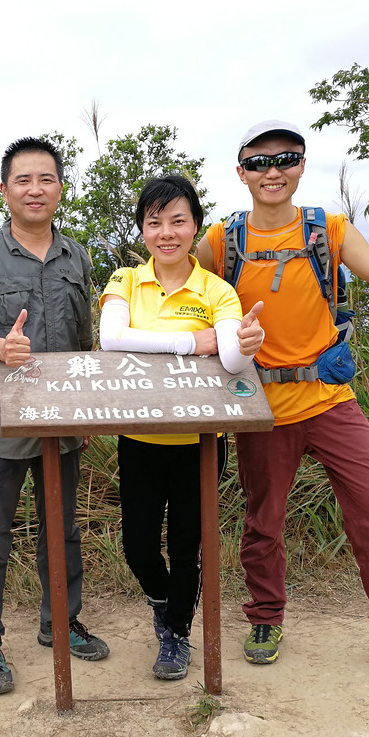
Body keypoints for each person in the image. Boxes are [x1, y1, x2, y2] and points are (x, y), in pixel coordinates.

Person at [195, 120, 369, 687]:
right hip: (262, 406)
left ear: (302, 166)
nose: (273, 170)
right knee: (264, 522)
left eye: (286, 157)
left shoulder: (329, 229)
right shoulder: (220, 242)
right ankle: (265, 620)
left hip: (332, 400)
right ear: (241, 173)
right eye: (259, 162)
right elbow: (185, 295)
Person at [0, 137, 107, 696]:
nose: (35, 190)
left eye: (46, 179)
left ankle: (60, 622)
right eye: (23, 180)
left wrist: (86, 415)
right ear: (5, 190)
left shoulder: (76, 255)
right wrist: (0, 347)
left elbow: (85, 339)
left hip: (63, 421)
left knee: (61, 531)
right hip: (1, 423)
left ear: (60, 188)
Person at [99, 174, 264, 680]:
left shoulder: (216, 289)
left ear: (195, 227)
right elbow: (111, 339)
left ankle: (176, 633)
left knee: (190, 543)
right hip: (140, 438)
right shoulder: (125, 280)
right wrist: (192, 342)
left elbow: (233, 360)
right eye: (155, 222)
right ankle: (164, 599)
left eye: (178, 221)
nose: (166, 232)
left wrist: (245, 341)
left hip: (200, 444)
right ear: (142, 230)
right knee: (138, 545)